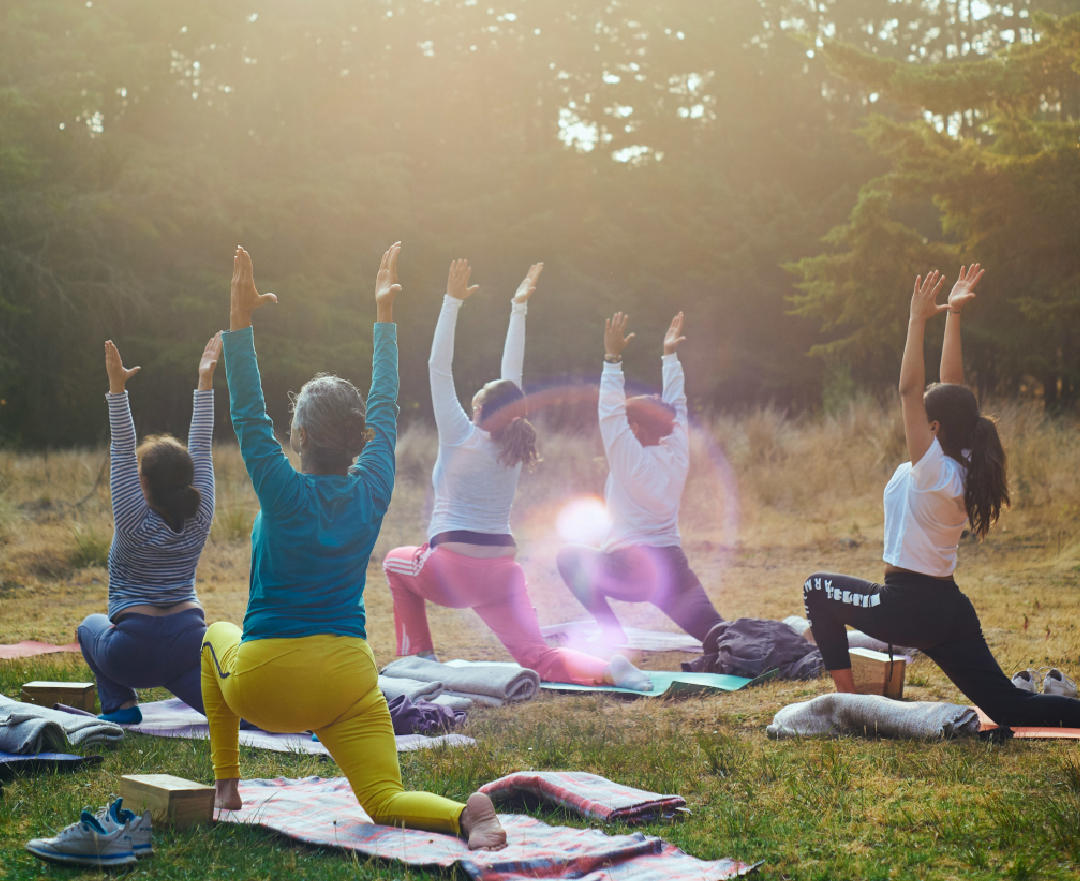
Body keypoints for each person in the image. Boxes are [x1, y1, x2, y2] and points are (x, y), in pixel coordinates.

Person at [201, 245, 505, 850]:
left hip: (266, 684)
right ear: (359, 437)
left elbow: (247, 413)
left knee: (213, 633)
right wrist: (384, 320)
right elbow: (386, 409)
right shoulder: (372, 490)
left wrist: (240, 324)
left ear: (302, 436)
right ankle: (464, 816)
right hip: (347, 679)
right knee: (382, 799)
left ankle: (227, 784)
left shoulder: (281, 489)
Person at [803, 265, 1080, 728]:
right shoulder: (962, 462)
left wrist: (917, 318)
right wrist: (952, 313)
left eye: (925, 414)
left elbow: (910, 388)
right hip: (948, 610)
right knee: (1009, 707)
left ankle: (849, 706)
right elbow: (955, 389)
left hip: (906, 607)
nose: (920, 406)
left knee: (816, 588)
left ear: (934, 428)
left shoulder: (933, 470)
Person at [383, 260, 651, 690]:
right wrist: (518, 308)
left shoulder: (460, 435)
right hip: (503, 573)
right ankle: (610, 669)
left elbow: (438, 365)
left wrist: (451, 301)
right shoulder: (512, 444)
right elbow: (514, 378)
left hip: (451, 569)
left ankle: (419, 657)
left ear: (477, 408)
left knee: (395, 563)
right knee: (537, 656)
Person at [555, 312, 724, 647]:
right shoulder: (676, 452)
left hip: (629, 570)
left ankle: (612, 633)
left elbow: (610, 413)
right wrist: (670, 357)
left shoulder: (628, 460)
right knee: (722, 636)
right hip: (673, 571)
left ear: (634, 428)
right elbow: (677, 405)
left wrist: (612, 359)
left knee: (568, 557)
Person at [77, 333, 222, 724]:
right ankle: (300, 718)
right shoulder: (201, 512)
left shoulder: (131, 519)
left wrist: (117, 388)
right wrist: (205, 382)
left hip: (132, 653)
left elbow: (122, 447)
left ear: (141, 484)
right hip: (190, 644)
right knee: (235, 713)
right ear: (189, 480)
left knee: (88, 626)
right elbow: (202, 444)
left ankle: (121, 706)